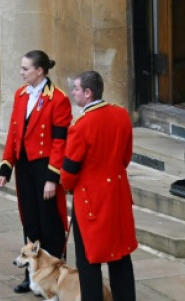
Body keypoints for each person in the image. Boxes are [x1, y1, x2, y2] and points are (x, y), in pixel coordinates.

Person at [0, 50, 71, 294]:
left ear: (39, 71)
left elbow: (60, 141)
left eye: (25, 68)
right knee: (30, 222)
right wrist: (6, 166)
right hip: (25, 168)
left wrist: (52, 178)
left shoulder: (58, 99)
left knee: (50, 224)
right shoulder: (21, 94)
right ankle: (32, 276)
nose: (21, 72)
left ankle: (55, 278)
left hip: (45, 167)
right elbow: (14, 132)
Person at [60, 71, 137, 301]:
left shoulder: (81, 125)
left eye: (76, 88)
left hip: (90, 200)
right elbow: (125, 157)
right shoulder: (121, 114)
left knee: (88, 261)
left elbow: (69, 172)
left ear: (88, 92)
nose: (73, 92)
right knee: (120, 256)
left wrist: (68, 186)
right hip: (118, 196)